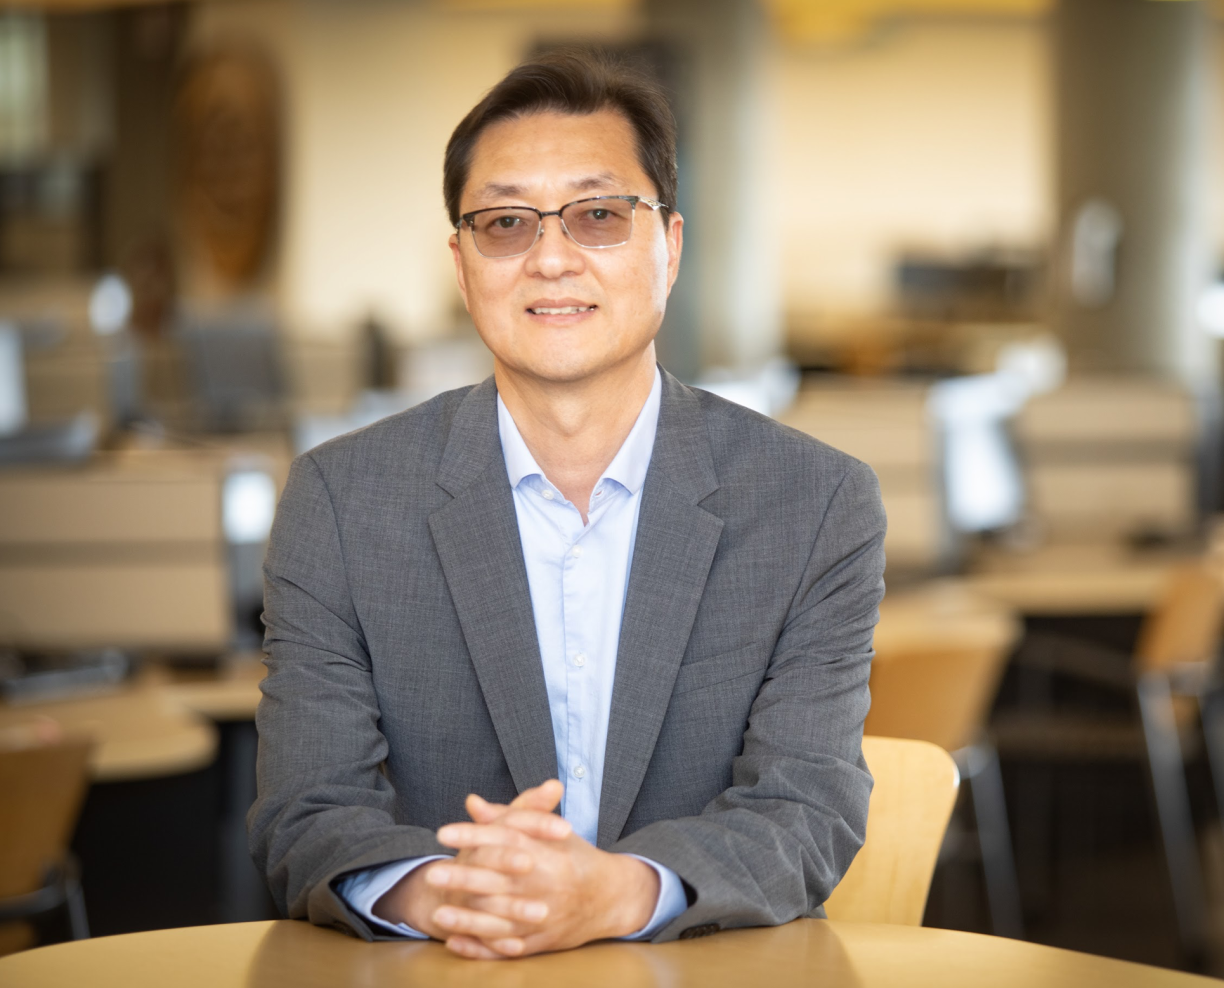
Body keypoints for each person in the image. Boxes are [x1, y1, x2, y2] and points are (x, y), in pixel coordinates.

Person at [249, 48, 886, 961]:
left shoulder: (816, 503)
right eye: (506, 224)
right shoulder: (341, 502)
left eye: (597, 216)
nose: (551, 258)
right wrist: (453, 892)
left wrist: (613, 893)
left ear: (669, 246)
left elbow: (806, 809)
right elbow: (305, 814)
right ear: (463, 265)